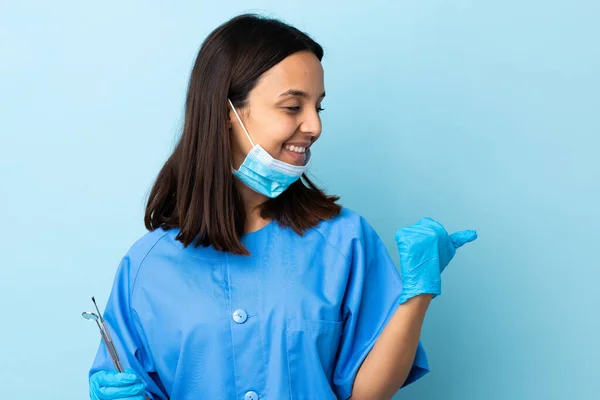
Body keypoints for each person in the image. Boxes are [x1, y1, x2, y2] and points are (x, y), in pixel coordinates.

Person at [88, 13, 477, 400]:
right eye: (293, 107)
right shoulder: (148, 266)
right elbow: (133, 382)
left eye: (318, 108)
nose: (314, 126)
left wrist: (418, 293)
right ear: (227, 113)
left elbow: (367, 393)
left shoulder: (346, 241)